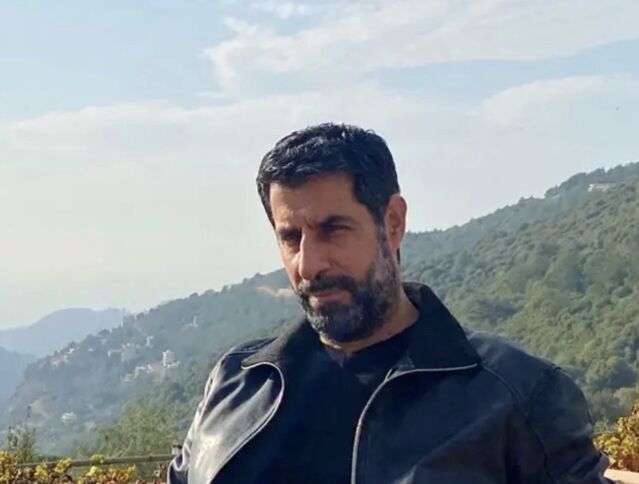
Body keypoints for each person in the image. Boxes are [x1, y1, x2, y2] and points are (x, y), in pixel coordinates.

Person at [168, 123, 611, 483]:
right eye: (290, 237)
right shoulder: (235, 383)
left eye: (333, 229)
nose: (309, 263)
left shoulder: (517, 396)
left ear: (393, 222)